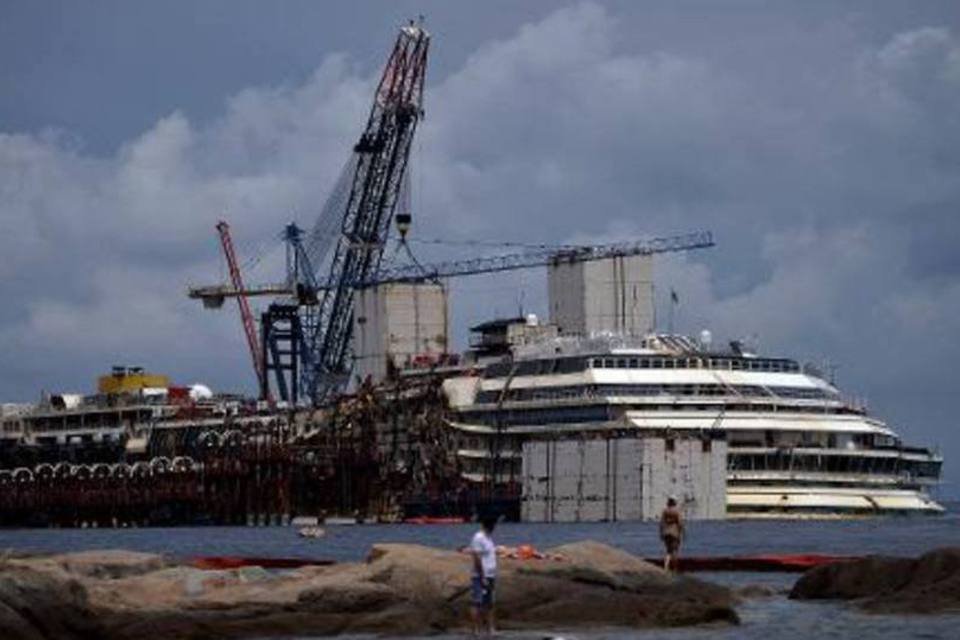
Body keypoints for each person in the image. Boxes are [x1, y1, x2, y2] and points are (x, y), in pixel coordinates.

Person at [469, 514, 498, 637]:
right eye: (493, 525)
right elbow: (477, 558)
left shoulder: (489, 538)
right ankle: (476, 630)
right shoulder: (478, 537)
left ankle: (490, 629)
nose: (494, 528)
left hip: (490, 575)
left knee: (490, 604)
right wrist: (482, 576)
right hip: (481, 576)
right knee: (477, 603)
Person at [659, 496, 684, 572]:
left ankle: (666, 567)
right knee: (675, 551)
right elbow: (680, 523)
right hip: (674, 532)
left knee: (668, 551)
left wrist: (661, 533)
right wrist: (682, 533)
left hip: (666, 532)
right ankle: (675, 568)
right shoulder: (677, 511)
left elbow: (661, 523)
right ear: (674, 502)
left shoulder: (665, 511)